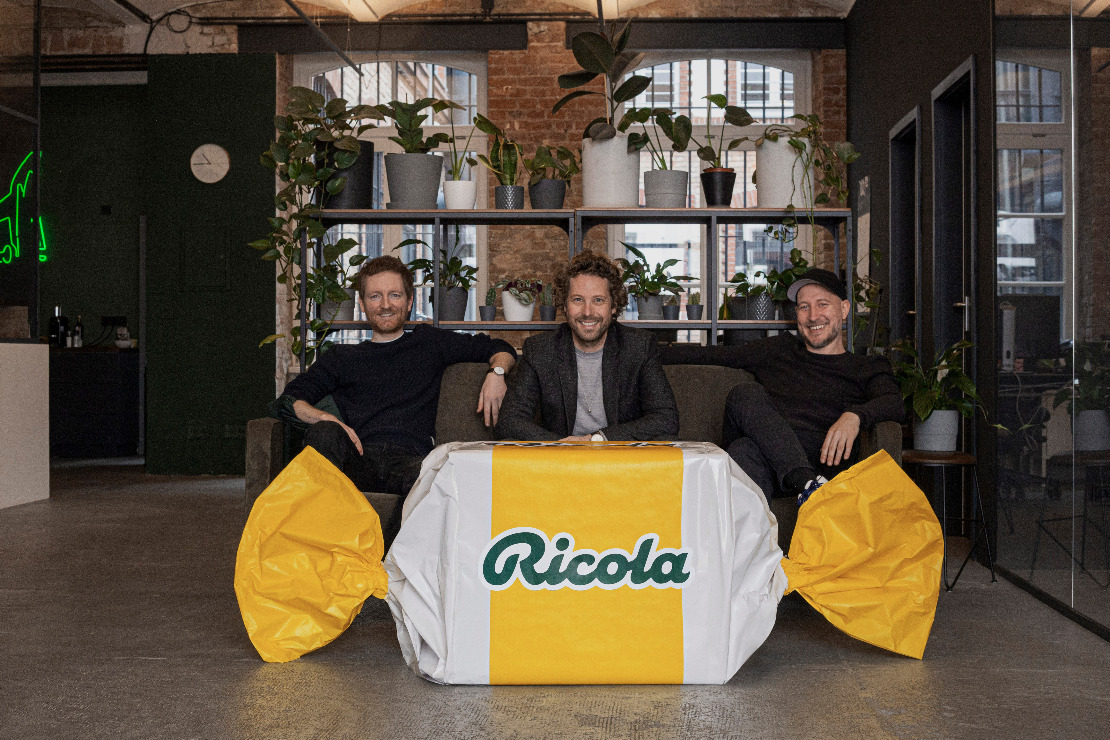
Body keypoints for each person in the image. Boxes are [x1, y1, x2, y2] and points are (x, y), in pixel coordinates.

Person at [278, 255, 515, 536]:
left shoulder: (428, 342)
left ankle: (382, 557)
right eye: (375, 296)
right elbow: (290, 399)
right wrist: (325, 418)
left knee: (439, 475)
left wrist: (497, 373)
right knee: (323, 433)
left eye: (395, 295)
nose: (386, 304)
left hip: (411, 462)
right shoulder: (342, 357)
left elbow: (499, 347)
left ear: (409, 301)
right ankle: (325, 541)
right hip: (359, 458)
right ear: (363, 304)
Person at [683, 268, 904, 503]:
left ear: (844, 309)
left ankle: (803, 487)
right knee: (744, 395)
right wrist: (651, 351)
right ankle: (808, 485)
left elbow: (894, 403)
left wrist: (855, 416)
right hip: (770, 465)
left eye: (822, 304)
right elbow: (708, 356)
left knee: (743, 449)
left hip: (823, 463)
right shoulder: (778, 350)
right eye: (804, 307)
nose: (813, 316)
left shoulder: (866, 367)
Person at [496, 250, 678, 442]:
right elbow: (509, 421)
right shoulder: (540, 350)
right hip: (562, 457)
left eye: (598, 300)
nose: (588, 312)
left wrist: (597, 439)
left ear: (613, 306)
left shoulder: (639, 347)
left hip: (620, 455)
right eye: (578, 299)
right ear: (565, 305)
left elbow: (666, 419)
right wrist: (561, 446)